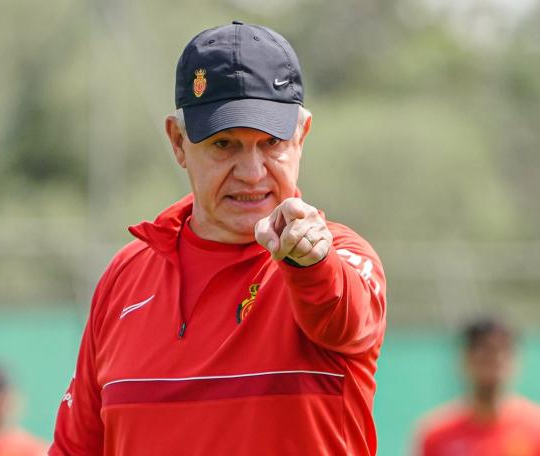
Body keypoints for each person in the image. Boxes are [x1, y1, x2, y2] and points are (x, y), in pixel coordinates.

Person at [50, 21, 387, 455]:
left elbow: (340, 313)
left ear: (301, 136)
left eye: (271, 142)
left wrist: (309, 264)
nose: (251, 172)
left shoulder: (338, 257)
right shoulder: (125, 277)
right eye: (224, 144)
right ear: (177, 141)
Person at [414, 317, 540, 456]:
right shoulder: (436, 435)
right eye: (485, 350)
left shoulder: (536, 427)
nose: (495, 358)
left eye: (502, 350)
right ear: (465, 358)